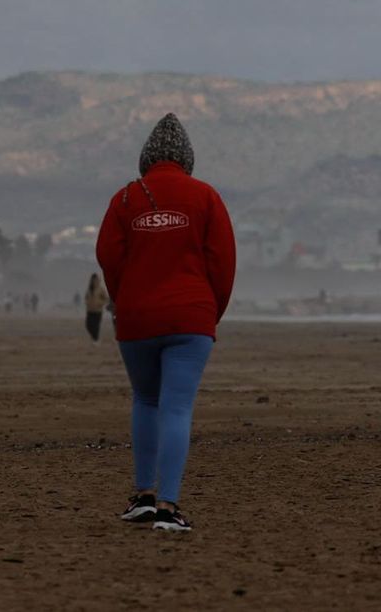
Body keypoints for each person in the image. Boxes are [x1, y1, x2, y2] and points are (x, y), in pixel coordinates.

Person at [95, 113, 235, 533]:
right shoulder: (206, 197)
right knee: (177, 407)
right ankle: (169, 507)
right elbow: (223, 264)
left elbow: (108, 257)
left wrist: (125, 300)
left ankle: (142, 496)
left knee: (146, 400)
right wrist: (211, 313)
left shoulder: (124, 199)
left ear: (145, 158)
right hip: (191, 317)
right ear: (188, 158)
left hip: (137, 319)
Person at [84, 272, 110, 342]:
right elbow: (86, 297)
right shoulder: (89, 289)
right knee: (88, 325)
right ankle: (94, 338)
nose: (95, 281)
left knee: (96, 326)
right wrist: (87, 302)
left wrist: (100, 303)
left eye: (96, 279)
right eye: (93, 279)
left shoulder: (101, 289)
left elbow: (106, 299)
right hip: (90, 310)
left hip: (98, 311)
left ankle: (95, 340)